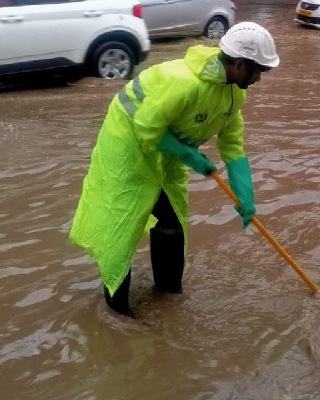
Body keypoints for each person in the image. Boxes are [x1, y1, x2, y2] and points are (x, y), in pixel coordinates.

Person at [69, 22, 280, 317]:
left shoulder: (235, 93)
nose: (259, 78)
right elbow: (146, 127)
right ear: (239, 64)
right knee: (122, 222)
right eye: (258, 70)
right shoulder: (182, 81)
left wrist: (245, 195)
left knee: (171, 219)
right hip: (128, 144)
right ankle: (118, 314)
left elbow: (232, 145)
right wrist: (191, 157)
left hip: (167, 149)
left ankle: (168, 292)